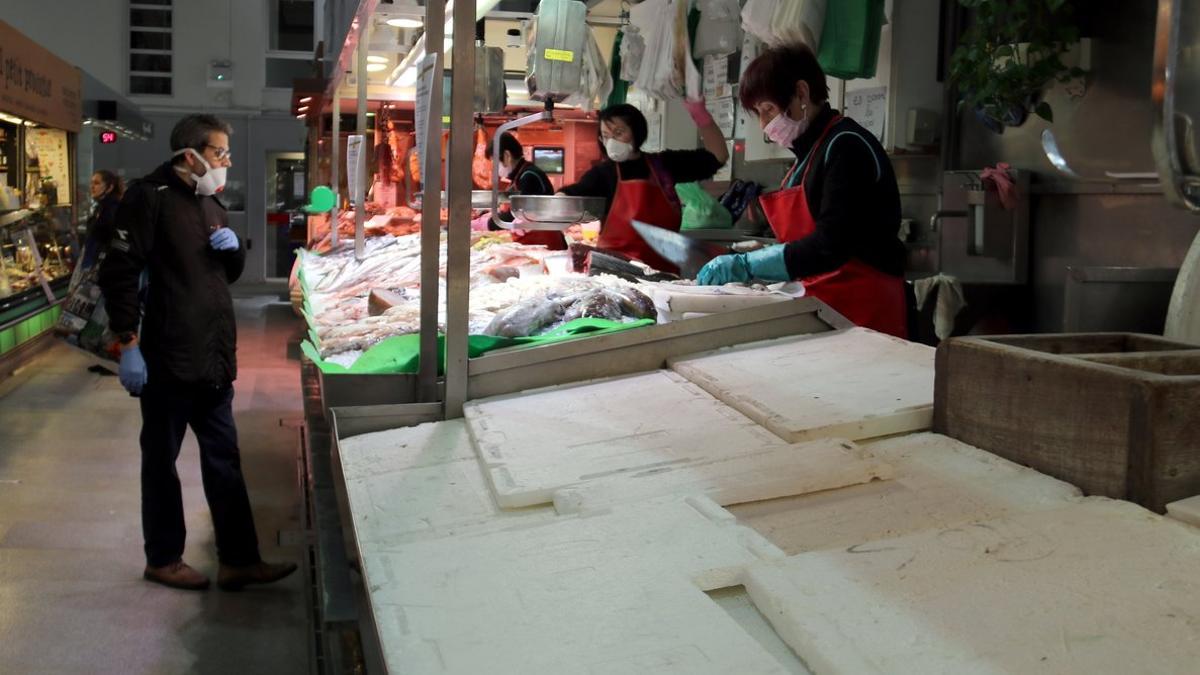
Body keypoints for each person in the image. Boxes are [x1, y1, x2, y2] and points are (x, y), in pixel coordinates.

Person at [98, 114, 297, 591]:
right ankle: (163, 558)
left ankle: (239, 559)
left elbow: (222, 275)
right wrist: (128, 343)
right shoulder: (149, 199)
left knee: (225, 460)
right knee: (161, 463)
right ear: (190, 156)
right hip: (167, 360)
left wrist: (233, 253)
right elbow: (119, 273)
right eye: (219, 153)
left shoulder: (210, 203)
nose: (226, 162)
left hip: (212, 360)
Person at [696, 44, 908, 338]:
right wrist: (763, 255)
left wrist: (747, 264)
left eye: (768, 109)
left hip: (863, 310)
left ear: (802, 93)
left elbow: (829, 246)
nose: (764, 125)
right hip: (824, 307)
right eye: (758, 113)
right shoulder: (808, 155)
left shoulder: (845, 145)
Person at [558, 100, 728, 272]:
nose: (612, 141)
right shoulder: (602, 174)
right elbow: (574, 193)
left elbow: (718, 157)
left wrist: (701, 116)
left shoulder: (664, 166)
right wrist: (559, 200)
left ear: (637, 132)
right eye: (606, 136)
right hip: (613, 273)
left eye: (619, 133)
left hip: (663, 274)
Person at [476, 131, 564, 249]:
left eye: (495, 163)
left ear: (507, 156)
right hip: (531, 242)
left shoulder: (529, 176)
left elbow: (518, 213)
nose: (495, 169)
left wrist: (487, 224)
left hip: (545, 243)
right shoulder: (520, 175)